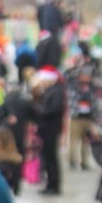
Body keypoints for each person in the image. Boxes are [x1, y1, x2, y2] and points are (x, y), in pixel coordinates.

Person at [32, 67, 66, 195]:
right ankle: (51, 183)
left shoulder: (56, 91)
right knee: (48, 156)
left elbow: (54, 108)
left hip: (51, 128)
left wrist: (38, 109)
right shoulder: (52, 90)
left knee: (51, 157)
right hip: (48, 127)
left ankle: (54, 184)